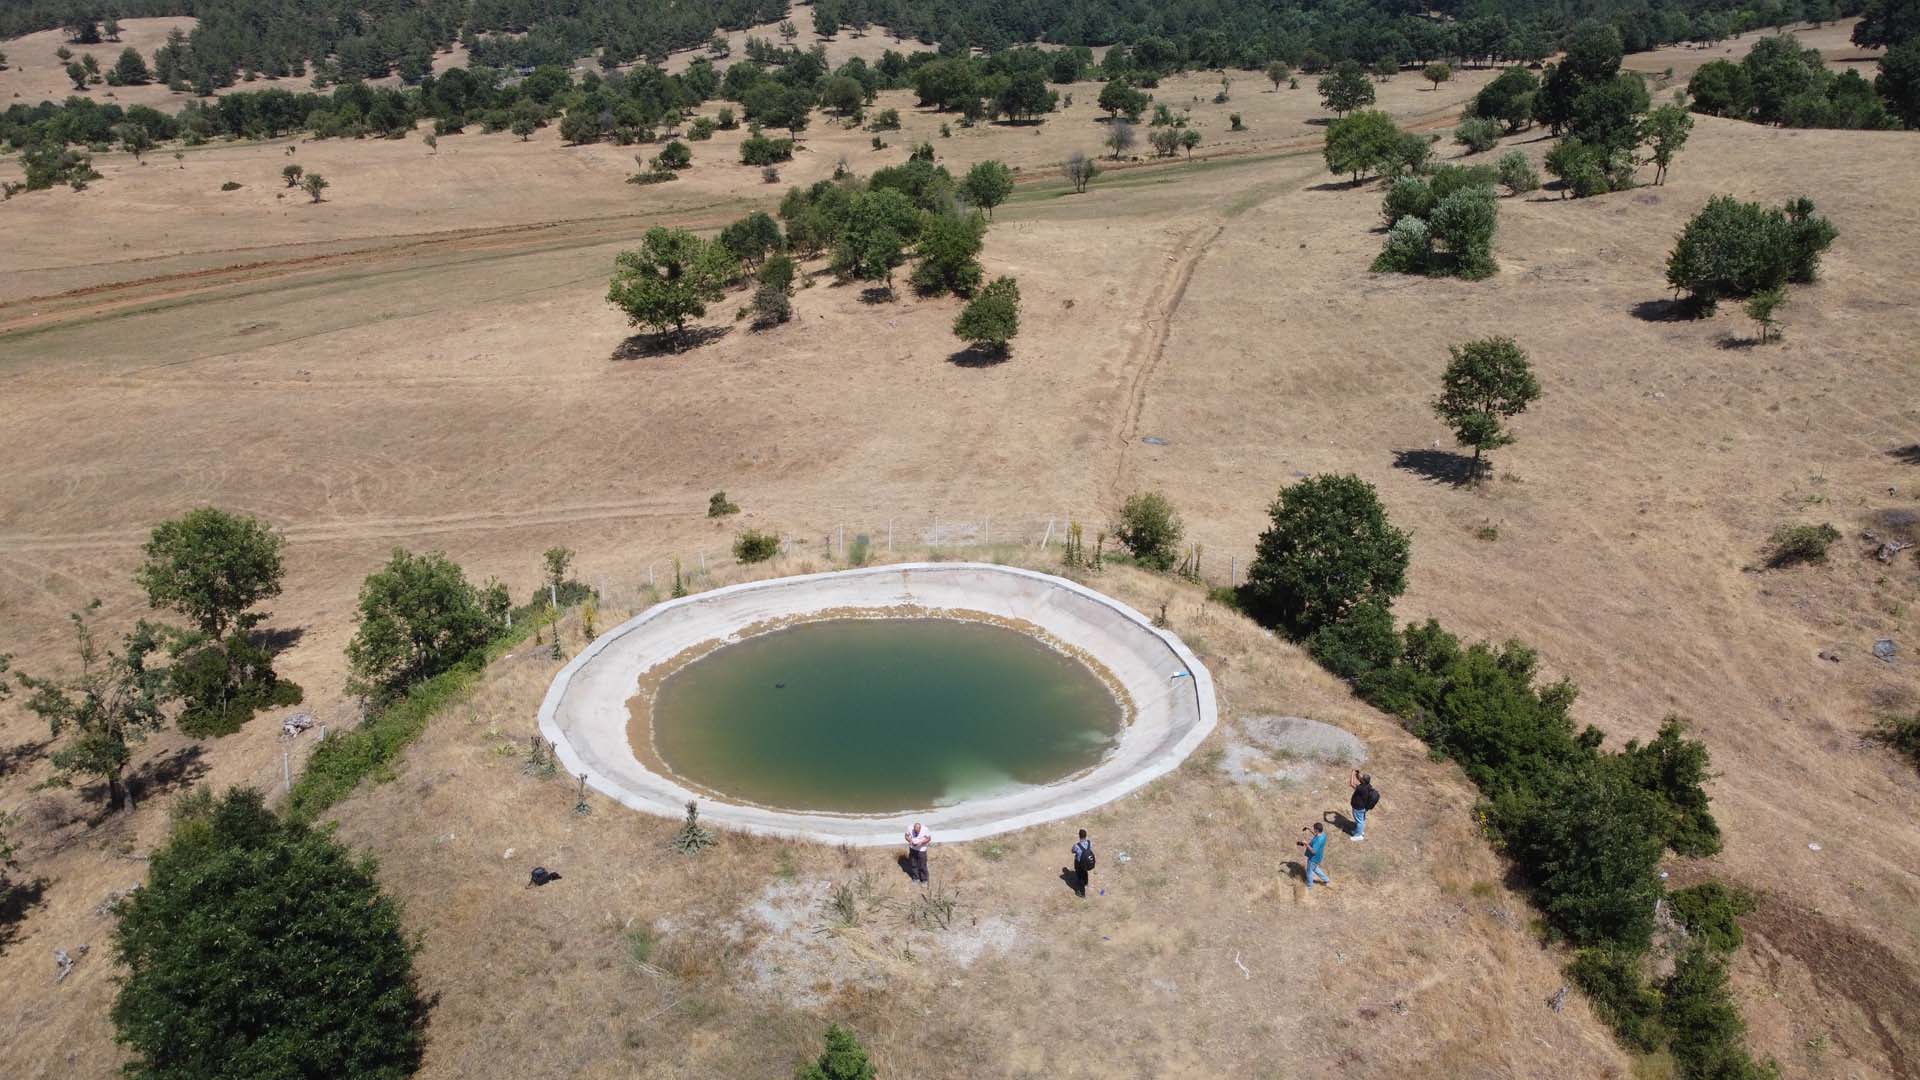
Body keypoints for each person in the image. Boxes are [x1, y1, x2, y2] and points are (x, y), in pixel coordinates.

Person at [1348, 769, 1380, 841]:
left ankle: (1358, 836)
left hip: (1358, 807)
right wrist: (1357, 774)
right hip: (1363, 807)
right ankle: (1359, 831)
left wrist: (1352, 773)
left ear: (1364, 781)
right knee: (1361, 819)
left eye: (1362, 778)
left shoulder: (1361, 788)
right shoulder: (1368, 785)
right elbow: (1360, 779)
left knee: (1359, 821)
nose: (1361, 778)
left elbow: (1351, 784)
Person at [1298, 822, 1330, 889]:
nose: (1313, 830)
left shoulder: (1318, 840)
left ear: (1317, 830)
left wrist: (1306, 844)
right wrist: (1309, 829)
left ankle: (1309, 886)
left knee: (1309, 871)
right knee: (1315, 869)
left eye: (1314, 829)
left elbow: (1313, 851)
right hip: (1319, 857)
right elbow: (1316, 835)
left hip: (1313, 858)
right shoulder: (1323, 835)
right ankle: (1326, 880)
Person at [1069, 829, 1095, 898]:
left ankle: (1082, 893)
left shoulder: (1077, 846)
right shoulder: (1090, 843)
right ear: (1086, 835)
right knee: (1085, 873)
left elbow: (1072, 851)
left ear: (1079, 836)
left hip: (1079, 864)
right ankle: (1086, 883)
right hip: (1086, 862)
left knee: (1080, 877)